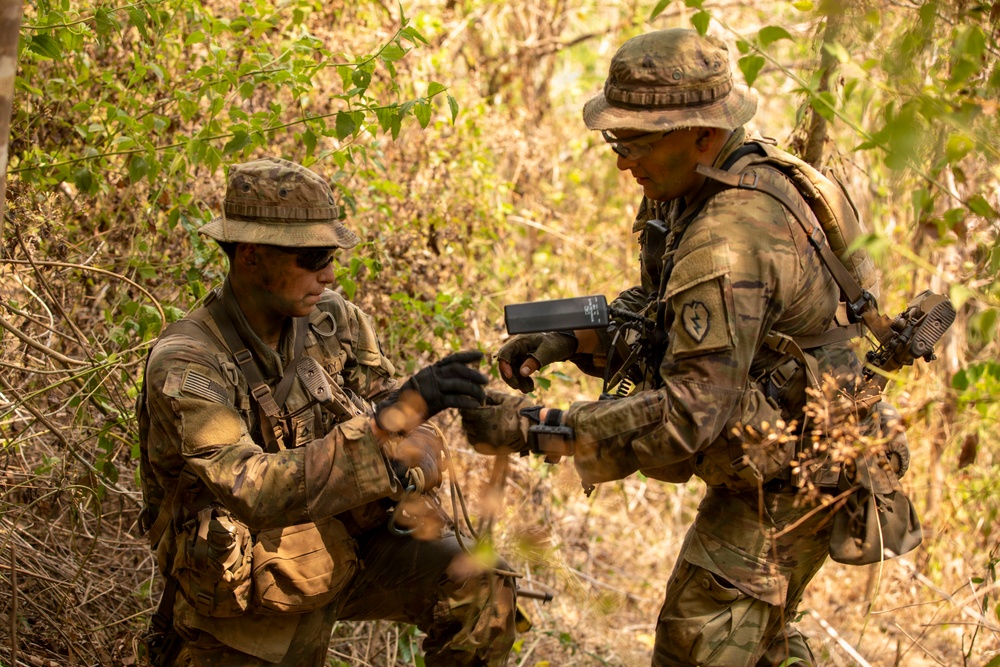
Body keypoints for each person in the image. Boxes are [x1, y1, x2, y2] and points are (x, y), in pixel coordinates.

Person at [461, 29, 910, 667]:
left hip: (790, 476)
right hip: (801, 448)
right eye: (616, 142)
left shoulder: (728, 236)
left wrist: (534, 427)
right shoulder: (729, 177)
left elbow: (686, 416)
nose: (623, 162)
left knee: (696, 641)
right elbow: (668, 317)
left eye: (637, 143)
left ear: (701, 133)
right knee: (762, 643)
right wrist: (570, 335)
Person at [137, 157, 516, 666]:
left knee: (485, 584)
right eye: (312, 257)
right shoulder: (189, 363)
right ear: (250, 254)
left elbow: (388, 406)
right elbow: (251, 488)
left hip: (350, 545)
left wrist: (414, 443)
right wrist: (385, 433)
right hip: (249, 589)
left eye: (331, 256)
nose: (329, 274)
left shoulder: (331, 320)